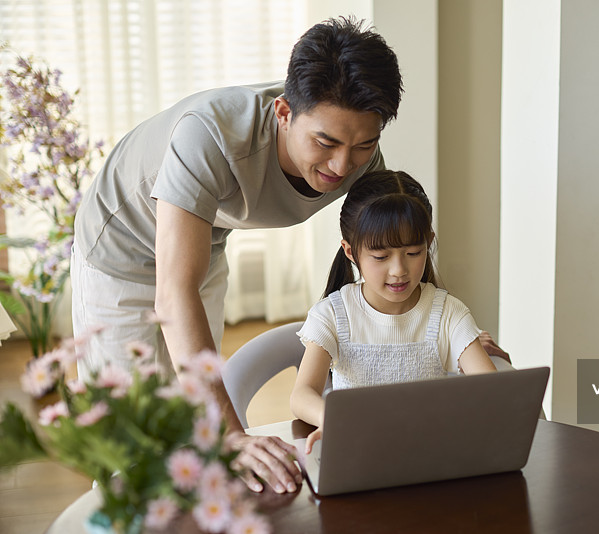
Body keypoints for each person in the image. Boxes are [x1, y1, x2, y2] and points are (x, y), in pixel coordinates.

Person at [71, 17, 402, 495]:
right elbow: (173, 294)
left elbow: (387, 252)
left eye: (362, 145)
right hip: (119, 248)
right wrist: (232, 436)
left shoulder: (358, 155)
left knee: (192, 423)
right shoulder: (210, 135)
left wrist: (447, 328)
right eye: (325, 143)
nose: (341, 166)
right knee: (132, 442)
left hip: (201, 242)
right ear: (284, 112)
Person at [290, 170, 497, 452]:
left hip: (429, 454)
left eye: (413, 253)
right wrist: (335, 420)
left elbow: (492, 391)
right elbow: (302, 395)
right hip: (359, 452)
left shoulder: (447, 311)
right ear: (350, 252)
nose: (399, 270)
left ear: (429, 242)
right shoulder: (334, 314)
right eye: (381, 257)